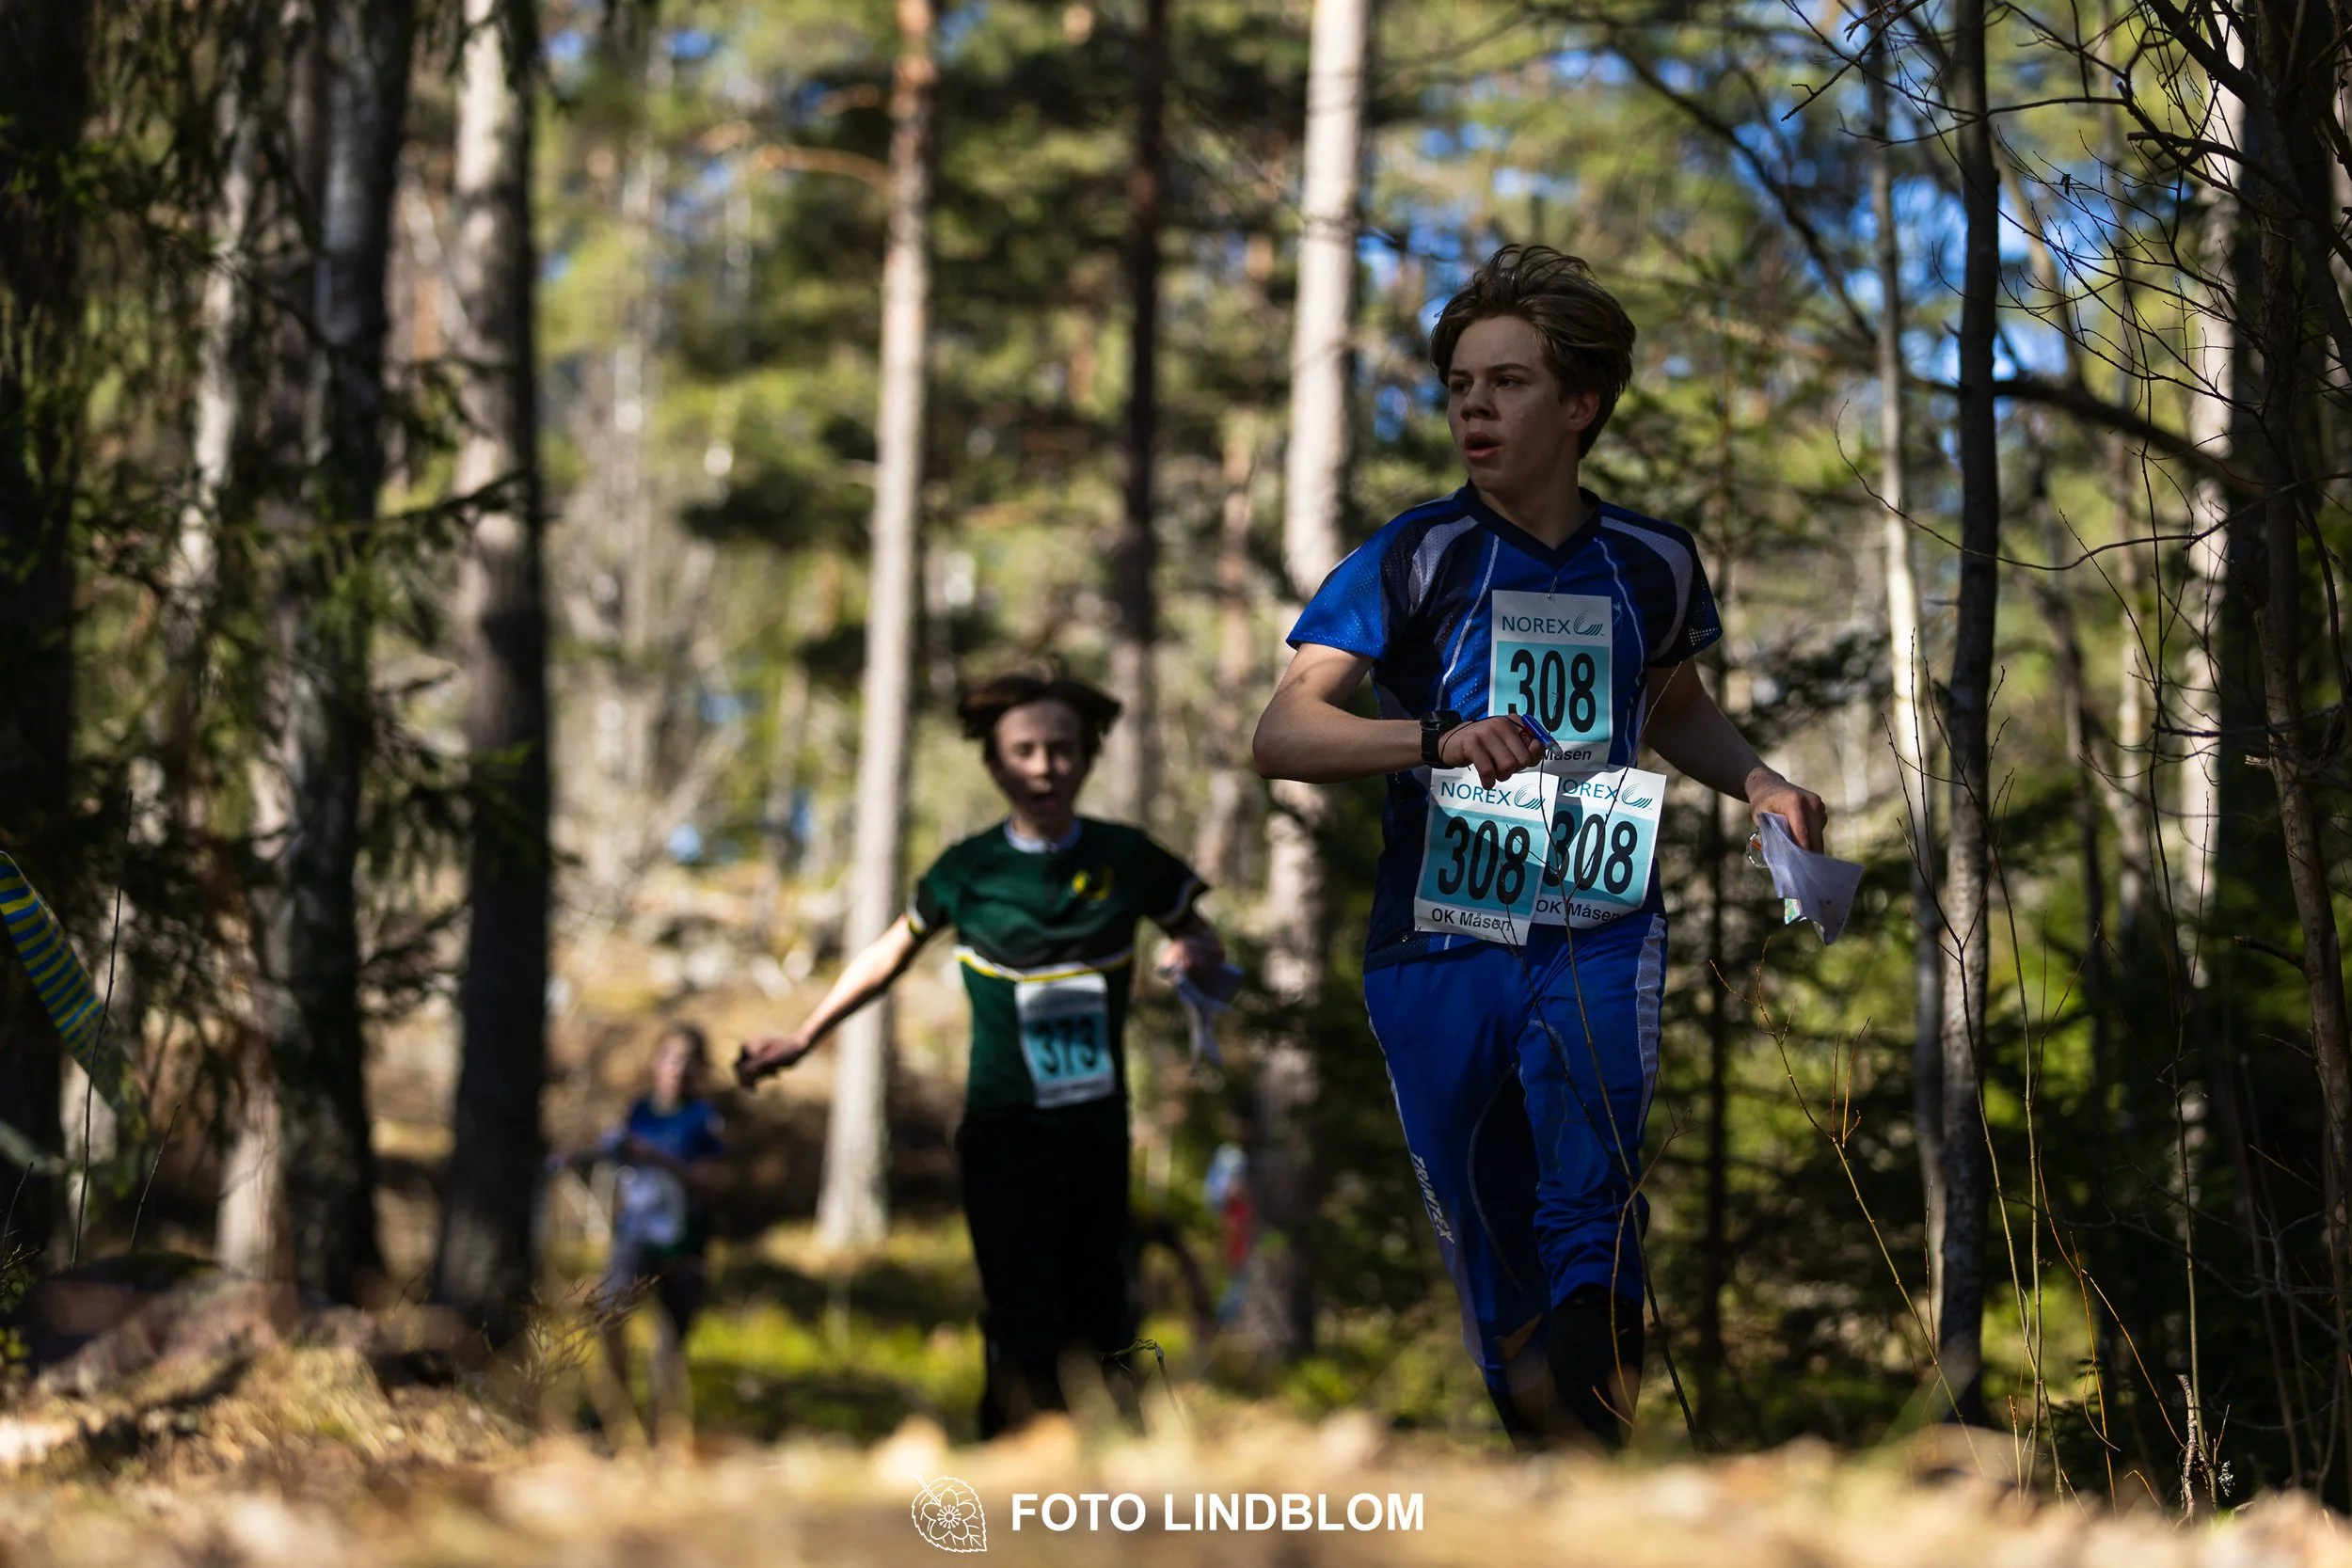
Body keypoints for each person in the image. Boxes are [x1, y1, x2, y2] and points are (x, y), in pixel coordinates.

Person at [1250, 245, 1827, 1449]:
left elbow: (1671, 710)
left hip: (1600, 924)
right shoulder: (1411, 554)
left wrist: (1762, 779)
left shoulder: (1652, 560)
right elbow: (1284, 728)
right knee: (1486, 1224)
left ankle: (1594, 1462)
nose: (1472, 405)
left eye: (1506, 382)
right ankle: (1541, 1458)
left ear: (1579, 404)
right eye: (1459, 382)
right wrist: (1436, 739)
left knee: (1591, 1201)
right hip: (1438, 936)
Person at [736, 671, 1227, 1436]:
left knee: (1102, 1313)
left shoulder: (1127, 858)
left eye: (1062, 750)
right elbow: (887, 954)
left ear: (1087, 759)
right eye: (1024, 751)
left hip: (1097, 1132)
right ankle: (1012, 1468)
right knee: (1020, 1310)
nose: (1044, 766)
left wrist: (1192, 956)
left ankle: (1105, 1485)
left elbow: (1196, 932)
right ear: (996, 766)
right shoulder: (966, 870)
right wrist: (805, 1035)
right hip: (1004, 1129)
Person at [552, 1022, 727, 1444]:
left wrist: (661, 1159)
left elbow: (712, 1183)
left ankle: (665, 1432)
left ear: (700, 1069)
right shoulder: (639, 1112)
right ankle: (611, 1416)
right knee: (610, 1312)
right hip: (634, 1235)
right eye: (669, 1058)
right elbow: (616, 1153)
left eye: (687, 1061)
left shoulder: (705, 1120)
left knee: (669, 1342)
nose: (676, 1069)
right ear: (655, 1063)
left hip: (685, 1242)